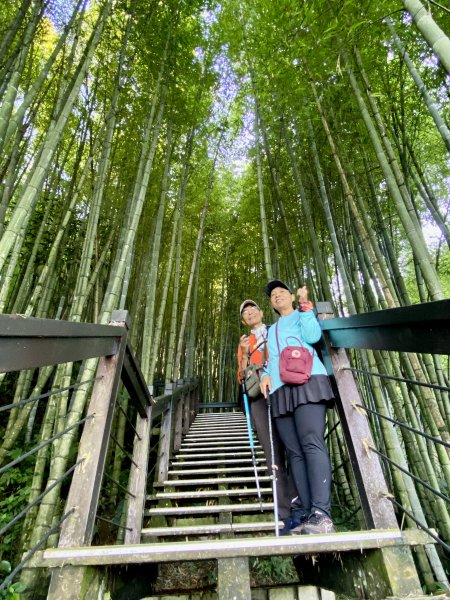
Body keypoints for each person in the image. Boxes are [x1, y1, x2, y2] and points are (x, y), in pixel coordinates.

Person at [260, 281, 335, 535]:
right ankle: (304, 512)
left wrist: (306, 306)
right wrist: (265, 375)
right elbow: (272, 358)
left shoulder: (302, 313)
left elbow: (314, 336)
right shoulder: (272, 330)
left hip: (308, 381)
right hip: (281, 390)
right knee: (295, 453)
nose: (277, 296)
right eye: (273, 295)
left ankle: (321, 514)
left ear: (291, 296)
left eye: (281, 292)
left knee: (311, 443)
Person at [238, 299, 303, 534]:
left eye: (253, 308)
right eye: (246, 312)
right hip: (259, 398)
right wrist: (245, 353)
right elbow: (242, 375)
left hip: (283, 390)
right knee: (272, 452)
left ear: (262, 312)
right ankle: (284, 511)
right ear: (244, 321)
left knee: (294, 447)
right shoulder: (245, 341)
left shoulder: (278, 329)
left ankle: (301, 505)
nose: (250, 313)